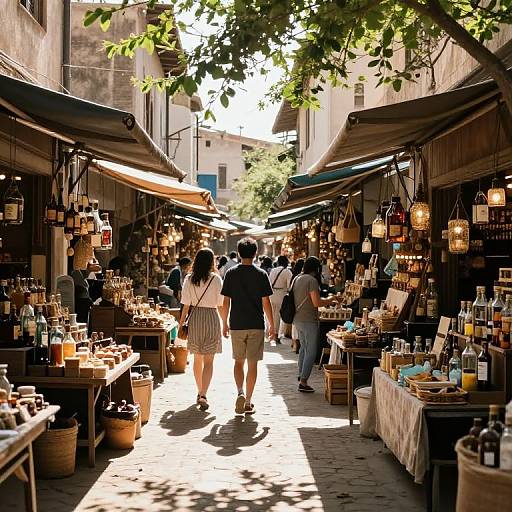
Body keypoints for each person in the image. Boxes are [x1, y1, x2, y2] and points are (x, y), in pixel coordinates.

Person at [221, 237, 275, 415]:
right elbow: (266, 303)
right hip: (256, 324)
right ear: (255, 253)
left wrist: (224, 323)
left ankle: (240, 392)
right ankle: (249, 402)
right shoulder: (261, 274)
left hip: (237, 324)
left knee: (238, 361)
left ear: (238, 253)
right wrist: (272, 325)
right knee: (252, 364)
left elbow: (225, 302)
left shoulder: (231, 273)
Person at [178, 249, 223, 411]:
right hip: (211, 317)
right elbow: (220, 303)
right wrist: (225, 323)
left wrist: (180, 324)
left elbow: (185, 305)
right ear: (212, 261)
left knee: (197, 358)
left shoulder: (189, 279)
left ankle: (200, 391)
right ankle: (204, 393)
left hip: (195, 318)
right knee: (209, 361)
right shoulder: (216, 279)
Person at [293, 256, 337, 393]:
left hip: (298, 319)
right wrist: (331, 299)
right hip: (309, 320)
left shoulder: (298, 278)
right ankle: (304, 381)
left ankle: (301, 375)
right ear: (316, 268)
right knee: (311, 351)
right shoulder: (311, 281)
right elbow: (316, 303)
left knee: (303, 349)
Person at [268, 255, 292, 344]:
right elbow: (290, 286)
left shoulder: (273, 270)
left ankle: (271, 333)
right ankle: (275, 335)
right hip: (281, 295)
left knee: (271, 315)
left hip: (271, 294)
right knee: (278, 316)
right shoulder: (287, 272)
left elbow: (269, 282)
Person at [290, 258, 305, 352]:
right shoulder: (304, 277)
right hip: (301, 304)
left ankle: (294, 343)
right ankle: (297, 344)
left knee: (294, 325)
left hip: (294, 303)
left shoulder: (295, 276)